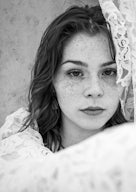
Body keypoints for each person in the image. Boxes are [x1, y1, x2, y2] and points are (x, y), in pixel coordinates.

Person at [18, 5, 127, 152]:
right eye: (75, 73)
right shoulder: (20, 154)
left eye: (108, 72)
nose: (94, 90)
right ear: (51, 82)